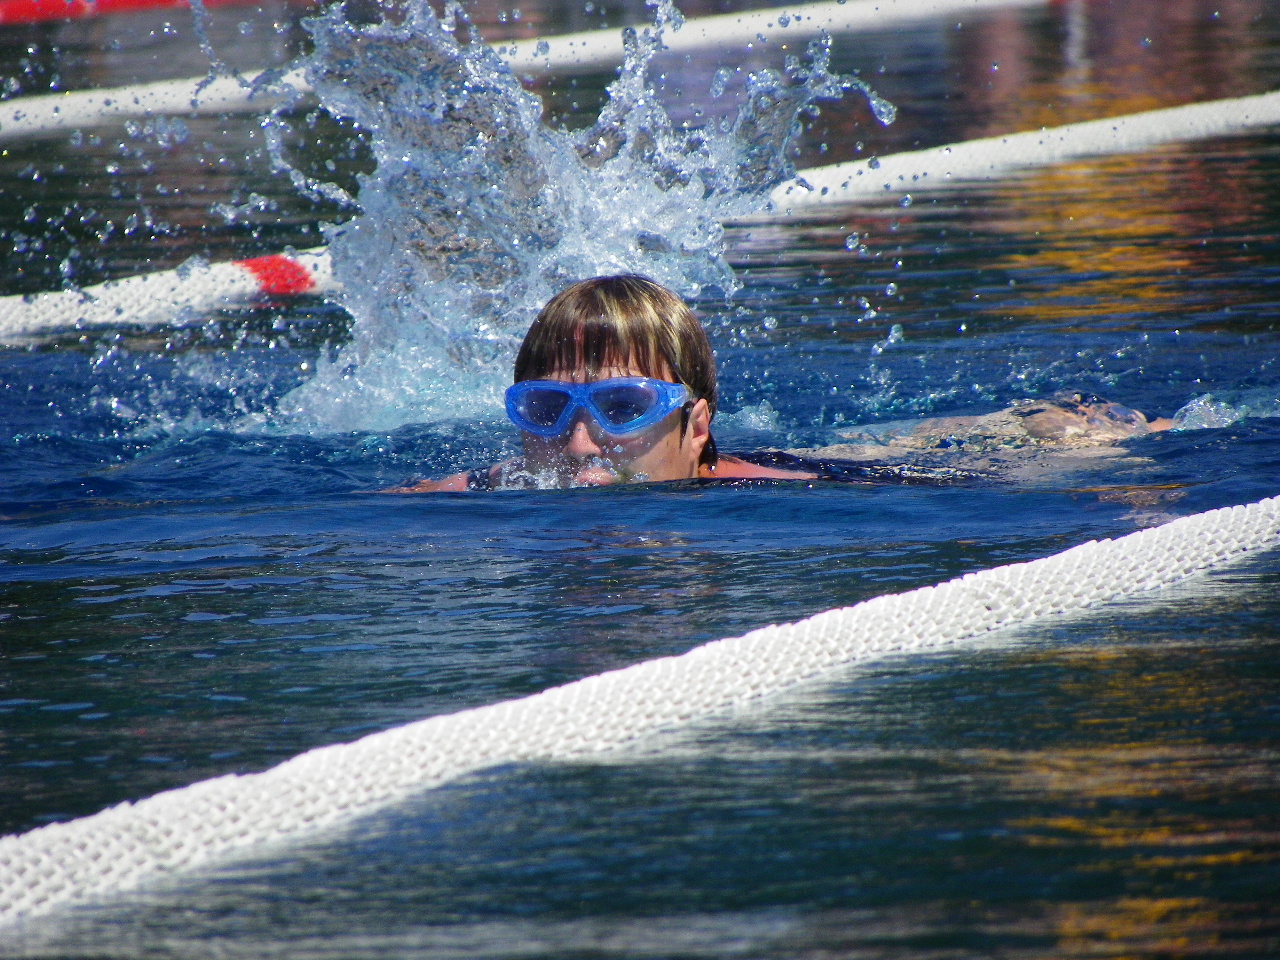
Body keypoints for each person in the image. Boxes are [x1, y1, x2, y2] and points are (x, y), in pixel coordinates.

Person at [390, 275, 1169, 492]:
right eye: (548, 408)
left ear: (696, 426)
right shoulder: (498, 485)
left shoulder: (774, 488)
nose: (582, 442)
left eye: (623, 406)